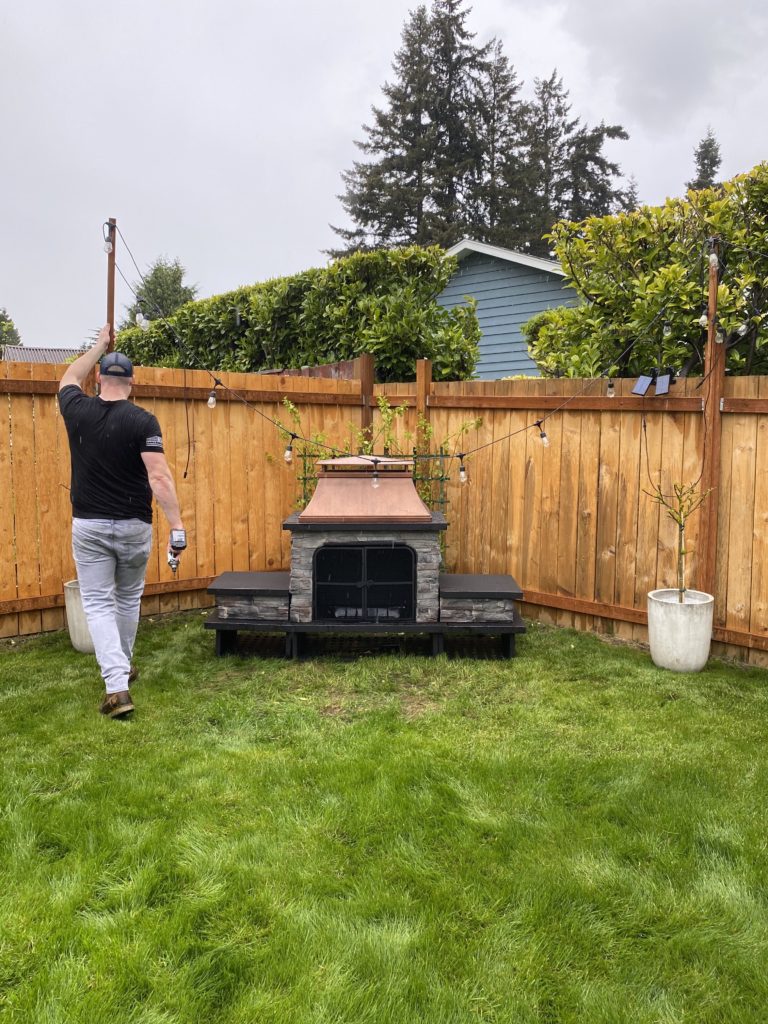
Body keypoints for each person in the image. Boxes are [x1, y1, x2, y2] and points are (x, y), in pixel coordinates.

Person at [59, 325, 186, 718]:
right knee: (128, 599)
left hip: (91, 527)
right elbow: (160, 477)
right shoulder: (143, 421)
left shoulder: (76, 409)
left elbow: (69, 377)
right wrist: (177, 525)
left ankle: (117, 688)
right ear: (132, 382)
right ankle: (123, 668)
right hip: (134, 526)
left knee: (98, 604)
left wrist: (98, 344)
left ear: (99, 378)